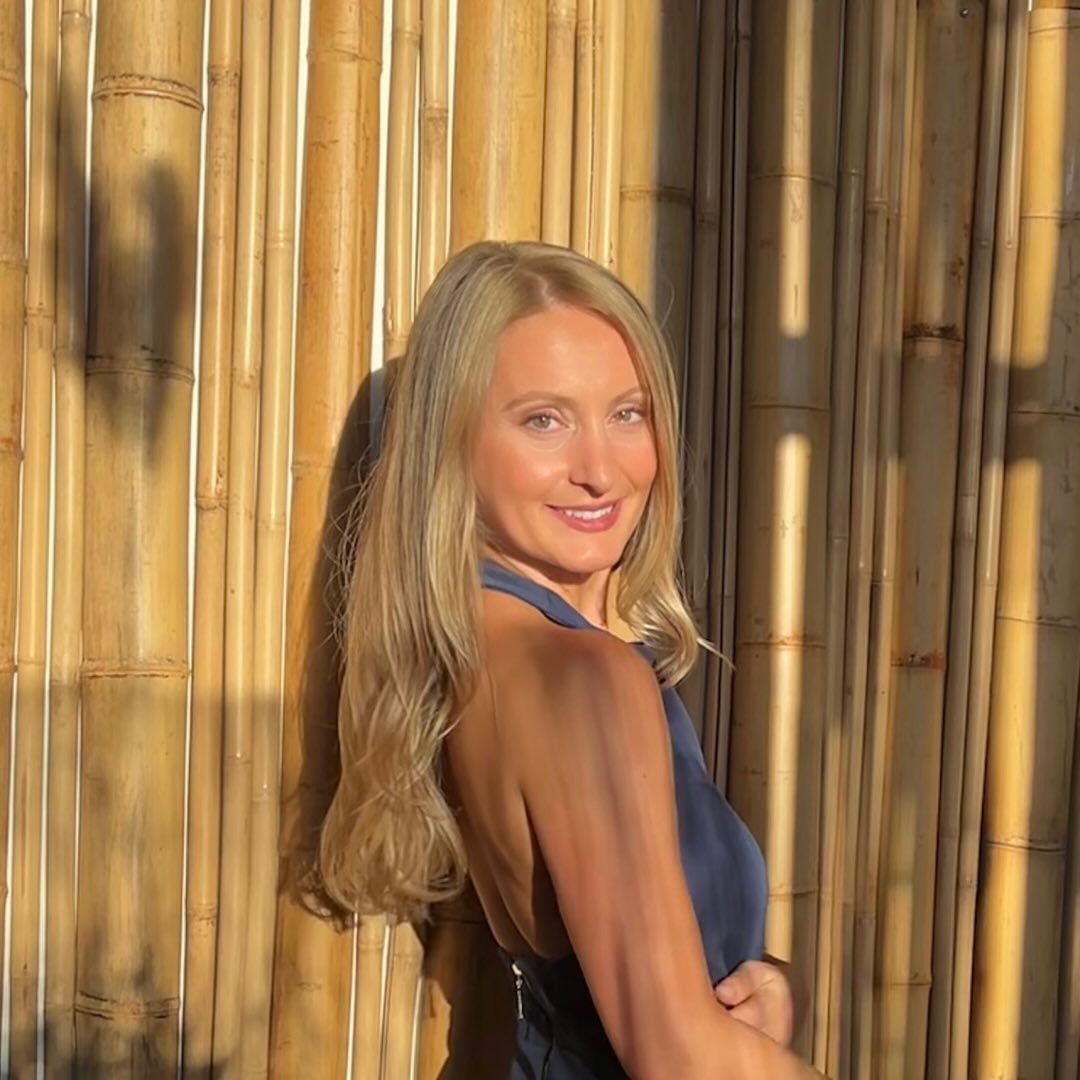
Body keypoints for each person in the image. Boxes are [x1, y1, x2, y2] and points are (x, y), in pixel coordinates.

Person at [319, 241, 823, 1079]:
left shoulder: (484, 651)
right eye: (543, 421)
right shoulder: (581, 679)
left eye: (628, 413)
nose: (599, 470)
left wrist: (772, 986)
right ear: (454, 443)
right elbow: (678, 1059)